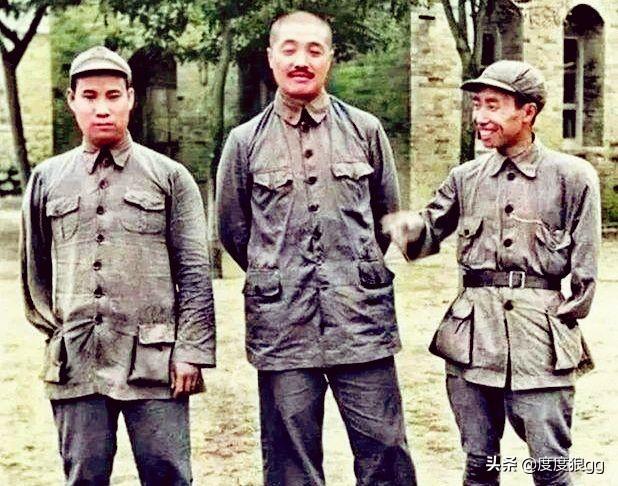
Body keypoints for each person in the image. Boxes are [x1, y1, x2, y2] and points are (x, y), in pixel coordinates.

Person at [216, 11, 416, 486]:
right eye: (289, 50)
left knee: (385, 451)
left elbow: (385, 217)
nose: (301, 61)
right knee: (291, 463)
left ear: (330, 58)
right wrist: (277, 270)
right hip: (282, 327)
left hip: (360, 323)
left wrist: (349, 270)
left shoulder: (366, 131)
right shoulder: (244, 142)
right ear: (271, 58)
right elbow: (234, 231)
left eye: (314, 50)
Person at [382, 60, 600, 486]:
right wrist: (404, 227)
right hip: (472, 343)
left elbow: (584, 278)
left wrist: (556, 326)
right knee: (480, 465)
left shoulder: (573, 177)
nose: (480, 116)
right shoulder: (465, 178)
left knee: (551, 468)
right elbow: (425, 236)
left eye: (493, 105)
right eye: (477, 104)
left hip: (539, 344)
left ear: (528, 112)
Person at [20, 45, 215, 485]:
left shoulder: (170, 177)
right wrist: (59, 335)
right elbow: (35, 273)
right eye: (89, 96)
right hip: (77, 360)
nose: (102, 108)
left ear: (131, 98)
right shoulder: (47, 179)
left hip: (155, 361)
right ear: (71, 101)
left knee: (168, 473)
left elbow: (194, 274)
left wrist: (190, 352)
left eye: (112, 95)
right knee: (84, 474)